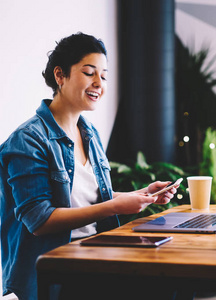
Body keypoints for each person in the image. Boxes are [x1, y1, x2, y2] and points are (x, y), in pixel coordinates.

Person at [0, 32, 178, 300]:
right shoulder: (27, 140)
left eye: (103, 76)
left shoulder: (88, 133)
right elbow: (39, 220)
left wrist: (140, 194)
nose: (99, 83)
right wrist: (115, 206)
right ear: (60, 76)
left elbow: (87, 196)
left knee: (175, 279)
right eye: (89, 72)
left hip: (94, 253)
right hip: (55, 267)